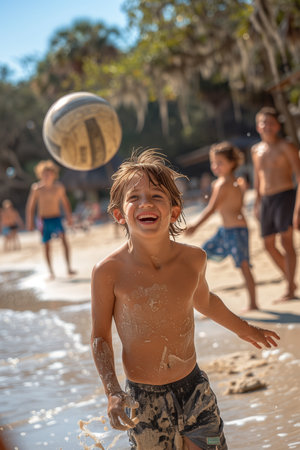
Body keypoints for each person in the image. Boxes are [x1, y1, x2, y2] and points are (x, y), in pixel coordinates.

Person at [91, 149, 279, 450]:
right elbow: (100, 337)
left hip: (193, 388)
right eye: (134, 198)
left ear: (174, 211)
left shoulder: (193, 259)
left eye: (156, 196)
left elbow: (206, 301)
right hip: (143, 399)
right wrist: (113, 392)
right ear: (119, 214)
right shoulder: (108, 271)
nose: (146, 203)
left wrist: (245, 328)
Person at [186, 142, 258, 311]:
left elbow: (211, 209)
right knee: (203, 256)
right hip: (226, 230)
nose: (215, 166)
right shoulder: (236, 181)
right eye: (213, 162)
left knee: (244, 265)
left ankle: (253, 303)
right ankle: (201, 302)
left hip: (236, 230)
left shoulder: (223, 184)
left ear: (232, 163)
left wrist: (195, 226)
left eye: (220, 162)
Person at [251, 106, 300, 301]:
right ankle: (291, 279)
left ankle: (289, 288)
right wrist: (256, 203)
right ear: (258, 127)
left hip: (285, 195)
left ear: (277, 126)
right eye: (264, 123)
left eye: (271, 123)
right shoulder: (256, 150)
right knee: (268, 244)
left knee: (286, 242)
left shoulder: (286, 146)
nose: (267, 126)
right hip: (266, 200)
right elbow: (257, 178)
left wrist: (298, 208)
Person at [26, 159, 76, 279]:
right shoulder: (37, 188)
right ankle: (50, 271)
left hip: (56, 218)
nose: (46, 176)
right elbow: (31, 206)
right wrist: (30, 222)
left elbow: (65, 203)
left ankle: (68, 268)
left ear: (54, 174)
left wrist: (69, 217)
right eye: (44, 173)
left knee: (64, 240)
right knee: (47, 245)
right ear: (40, 174)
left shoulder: (58, 187)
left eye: (49, 173)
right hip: (43, 220)